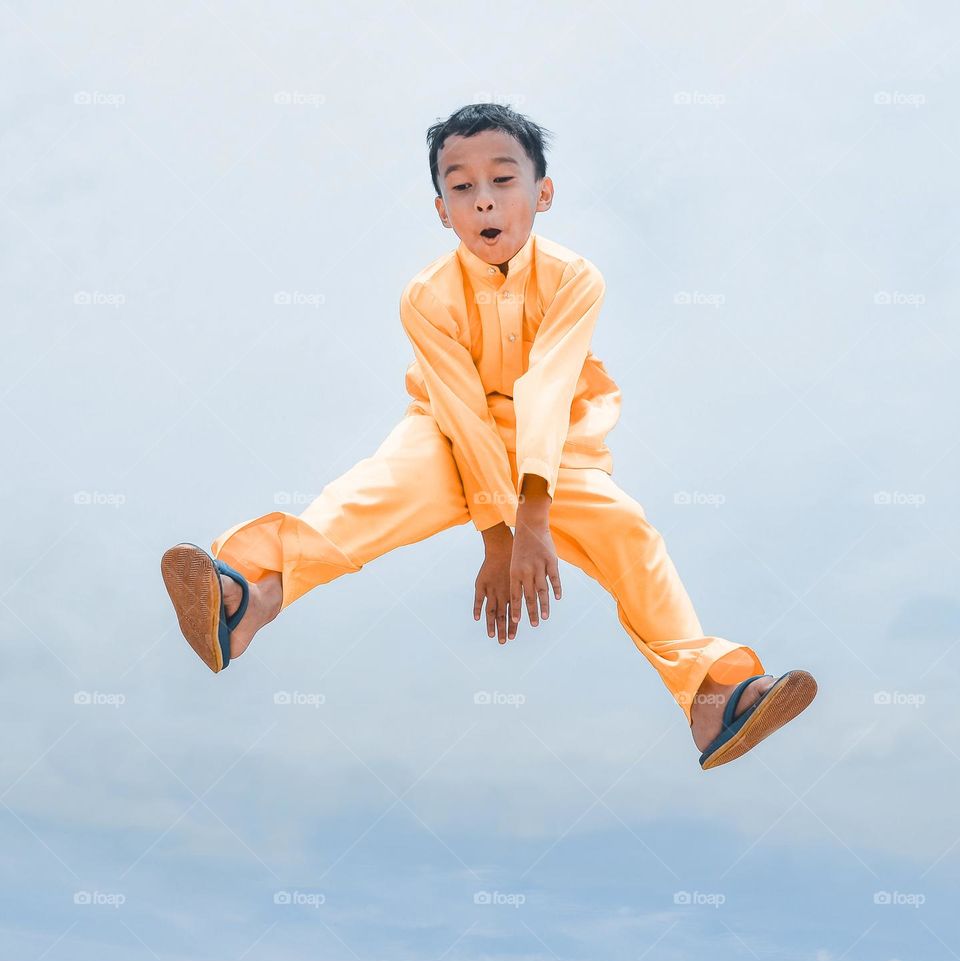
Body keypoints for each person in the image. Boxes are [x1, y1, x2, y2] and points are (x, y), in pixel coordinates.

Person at [161, 102, 816, 770]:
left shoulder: (575, 279)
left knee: (627, 532)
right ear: (442, 210)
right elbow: (464, 414)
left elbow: (547, 390)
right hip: (446, 432)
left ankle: (711, 700)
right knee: (371, 496)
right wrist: (499, 537)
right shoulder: (426, 296)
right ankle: (247, 596)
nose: (483, 200)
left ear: (543, 193)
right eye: (462, 186)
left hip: (556, 445)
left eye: (503, 180)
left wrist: (531, 518)